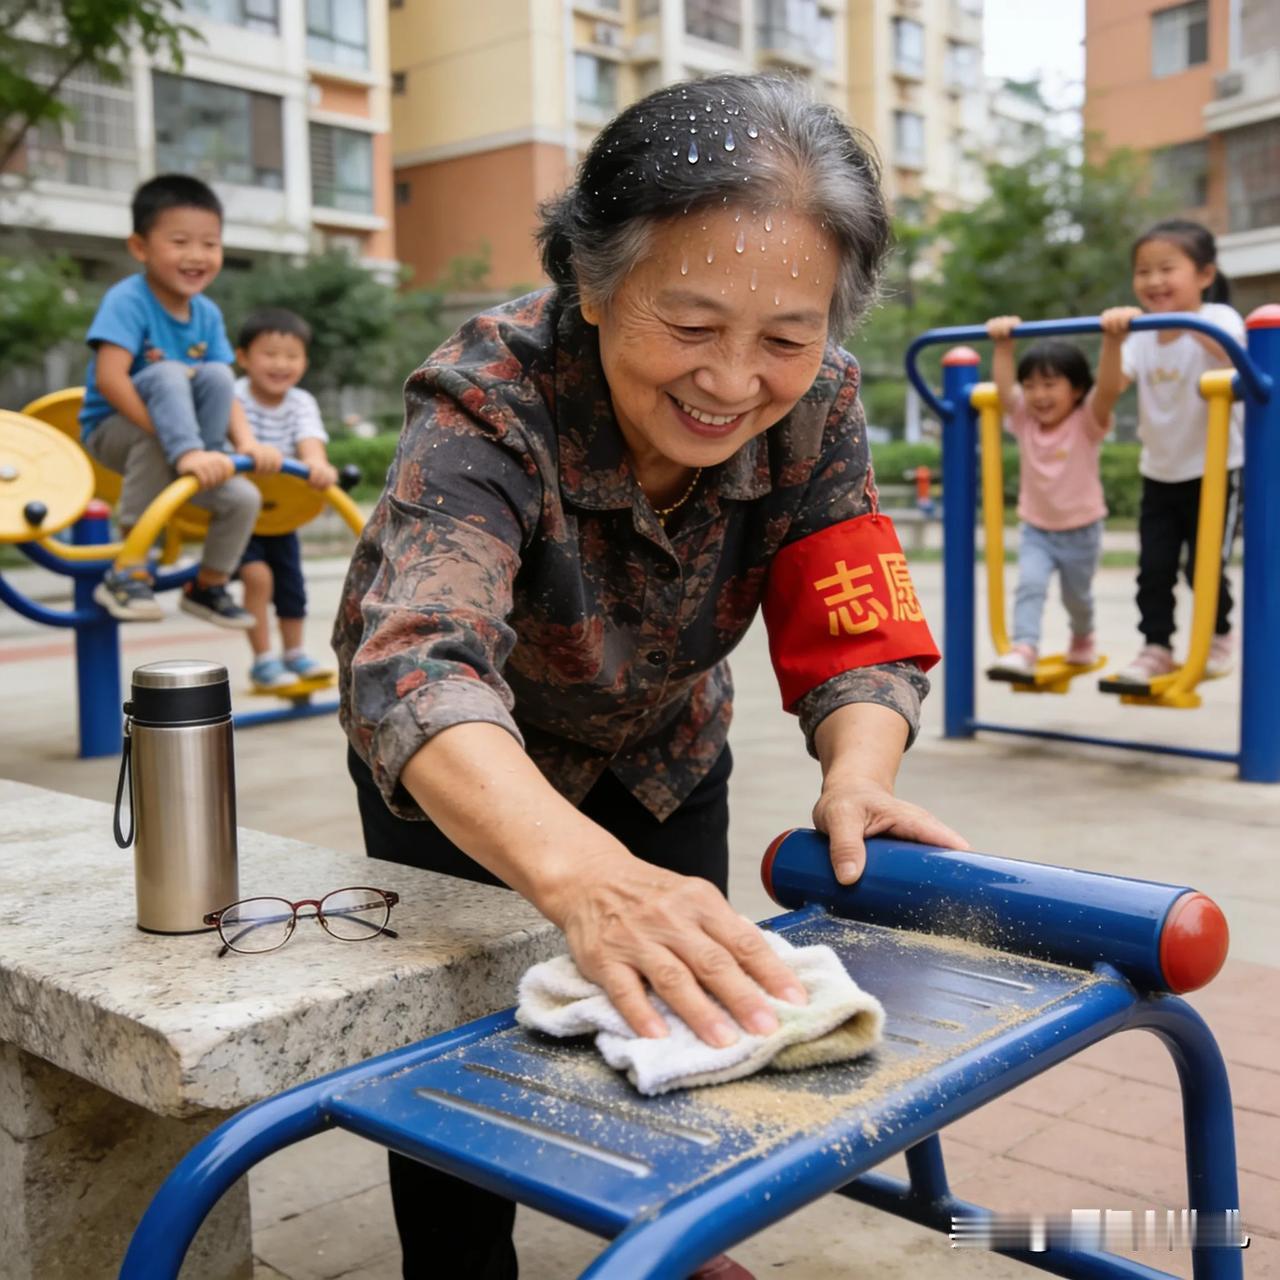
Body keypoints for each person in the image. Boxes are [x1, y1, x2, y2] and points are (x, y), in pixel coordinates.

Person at [333, 73, 967, 1280]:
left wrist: (859, 772)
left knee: (690, 1009)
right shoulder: (487, 396)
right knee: (458, 1068)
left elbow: (854, 611)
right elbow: (416, 658)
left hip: (666, 751)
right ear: (590, 275)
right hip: (467, 766)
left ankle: (661, 1240)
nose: (733, 382)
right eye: (689, 326)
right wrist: (578, 875)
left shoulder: (817, 403)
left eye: (785, 335)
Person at [80, 173, 277, 626]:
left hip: (184, 442)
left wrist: (244, 443)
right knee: (168, 372)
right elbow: (110, 380)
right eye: (180, 241)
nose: (197, 255)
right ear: (140, 247)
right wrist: (175, 441)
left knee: (242, 495)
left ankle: (207, 586)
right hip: (115, 429)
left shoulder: (206, 312)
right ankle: (128, 570)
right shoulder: (127, 300)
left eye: (210, 243)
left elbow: (223, 390)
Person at [1093, 219, 1245, 684]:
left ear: (1204, 275)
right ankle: (1156, 646)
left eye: (1166, 269)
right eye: (1143, 271)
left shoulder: (1219, 321)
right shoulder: (1140, 334)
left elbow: (1239, 362)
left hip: (1219, 470)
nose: (1154, 281)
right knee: (1153, 569)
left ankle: (1218, 633)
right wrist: (1114, 341)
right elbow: (1110, 391)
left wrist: (1182, 320)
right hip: (1159, 471)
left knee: (1204, 565)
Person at [984, 319, 1124, 677]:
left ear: (1077, 389)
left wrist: (1113, 340)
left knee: (1076, 598)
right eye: (1030, 385)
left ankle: (1082, 636)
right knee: (1029, 586)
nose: (1038, 395)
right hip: (1038, 529)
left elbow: (1108, 389)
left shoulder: (1087, 421)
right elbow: (1004, 390)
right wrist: (1002, 346)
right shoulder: (1023, 420)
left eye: (1050, 384)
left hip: (1082, 529)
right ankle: (1025, 646)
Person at [232, 307, 338, 689]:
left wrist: (316, 463)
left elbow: (310, 440)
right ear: (243, 357)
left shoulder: (300, 402)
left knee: (292, 585)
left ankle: (294, 653)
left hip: (280, 514)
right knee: (257, 578)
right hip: (239, 512)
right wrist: (253, 450)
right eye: (270, 354)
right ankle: (263, 660)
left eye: (292, 356)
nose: (281, 364)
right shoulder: (234, 396)